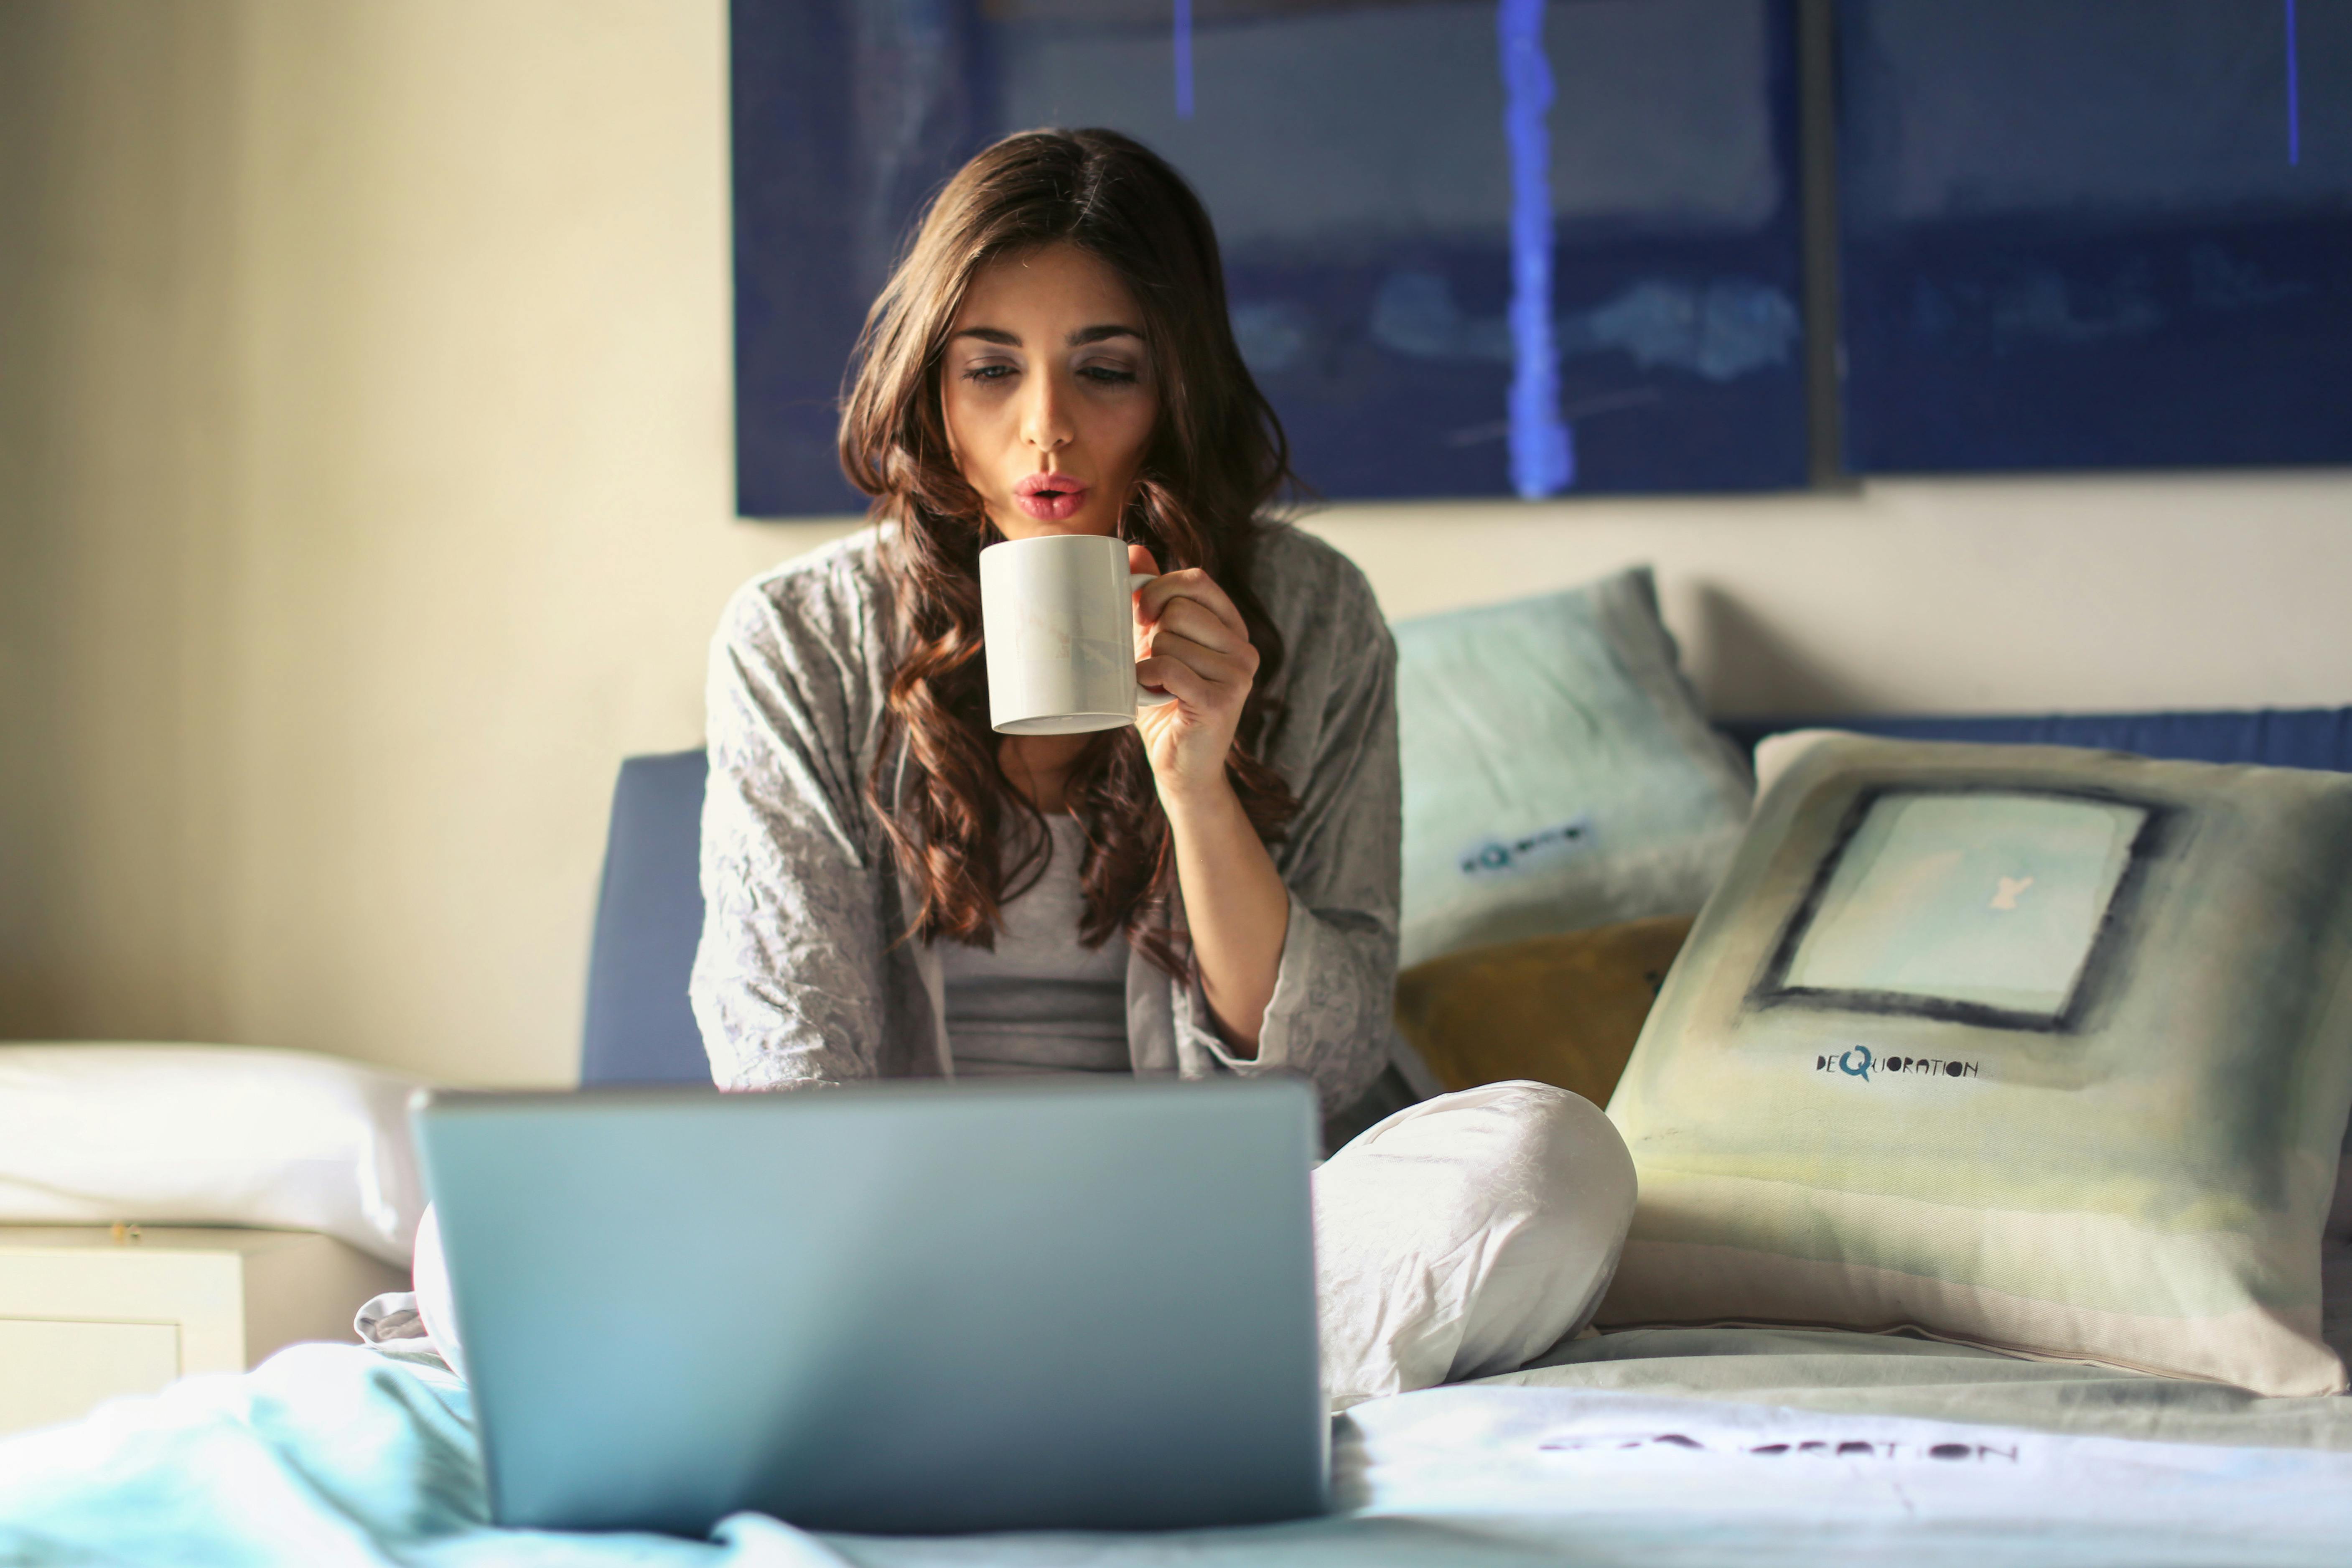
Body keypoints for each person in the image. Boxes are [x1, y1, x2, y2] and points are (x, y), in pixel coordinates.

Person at [420, 128, 1634, 1411]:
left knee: (1551, 1162)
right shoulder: (799, 639)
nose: (1044, 429)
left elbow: (1320, 1066)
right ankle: (1108, 1378)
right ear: (929, 389)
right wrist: (879, 1247)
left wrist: (1197, 779)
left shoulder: (1313, 619)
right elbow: (785, 1054)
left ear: (1178, 388)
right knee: (476, 1241)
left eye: (1103, 371)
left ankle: (968, 1383)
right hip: (893, 1240)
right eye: (990, 370)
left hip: (1222, 1239)